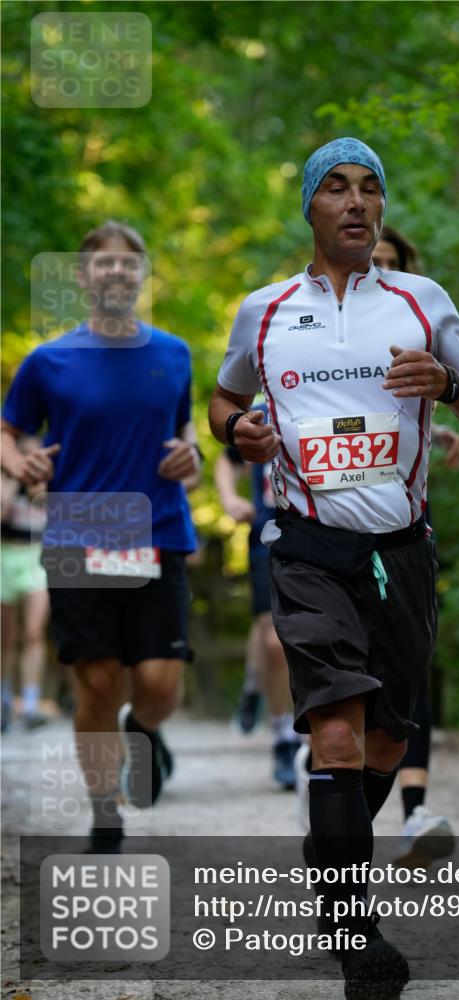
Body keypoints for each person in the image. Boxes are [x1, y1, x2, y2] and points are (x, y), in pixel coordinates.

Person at [209, 137, 459, 999]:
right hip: (305, 547)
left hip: (402, 552)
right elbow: (225, 399)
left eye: (369, 189)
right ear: (310, 206)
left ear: (381, 209)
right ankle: (353, 932)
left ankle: (327, 855)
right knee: (335, 728)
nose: (355, 202)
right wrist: (236, 432)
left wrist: (448, 385)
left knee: (385, 739)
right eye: (335, 188)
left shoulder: (421, 300)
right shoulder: (262, 309)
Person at [1, 220, 200, 853]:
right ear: (84, 276)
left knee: (161, 682)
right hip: (80, 531)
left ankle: (144, 731)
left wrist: (190, 458)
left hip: (158, 529)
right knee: (96, 680)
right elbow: (8, 432)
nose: (117, 272)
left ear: (142, 276)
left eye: (128, 263)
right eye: (103, 264)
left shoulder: (174, 354)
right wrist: (19, 463)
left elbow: (187, 433)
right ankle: (104, 813)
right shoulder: (50, 360)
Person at [372, 226, 459, 866]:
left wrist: (446, 426)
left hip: (407, 532)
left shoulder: (417, 324)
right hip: (323, 537)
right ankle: (329, 781)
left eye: (389, 263)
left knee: (410, 665)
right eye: (370, 259)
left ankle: (414, 812)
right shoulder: (303, 325)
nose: (376, 269)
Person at [214, 400, 302, 788]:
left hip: (330, 533)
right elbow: (226, 459)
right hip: (269, 536)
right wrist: (229, 497)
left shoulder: (338, 392)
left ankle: (257, 691)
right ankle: (284, 738)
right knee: (273, 640)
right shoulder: (260, 411)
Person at [1, 444, 51, 731]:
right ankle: (4, 700)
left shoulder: (41, 451)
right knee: (4, 639)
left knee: (33, 633)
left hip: (36, 555)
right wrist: (10, 478)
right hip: (4, 554)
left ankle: (30, 705)